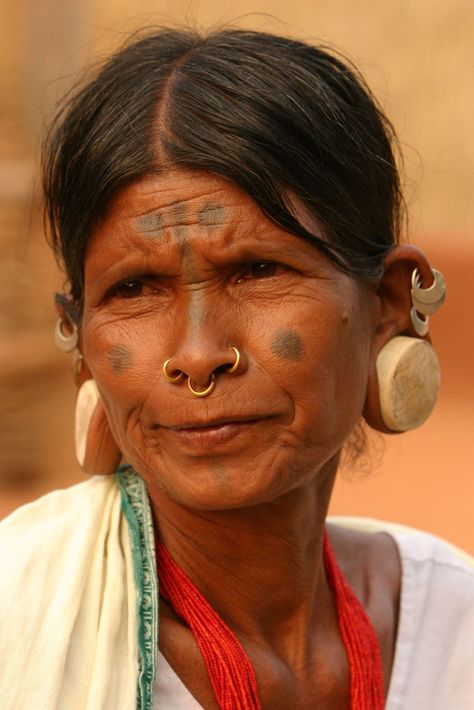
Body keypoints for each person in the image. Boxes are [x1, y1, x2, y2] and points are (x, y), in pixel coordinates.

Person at [0, 27, 472, 710]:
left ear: (390, 304)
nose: (197, 357)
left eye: (258, 270)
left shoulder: (454, 630)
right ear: (79, 342)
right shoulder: (20, 623)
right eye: (133, 289)